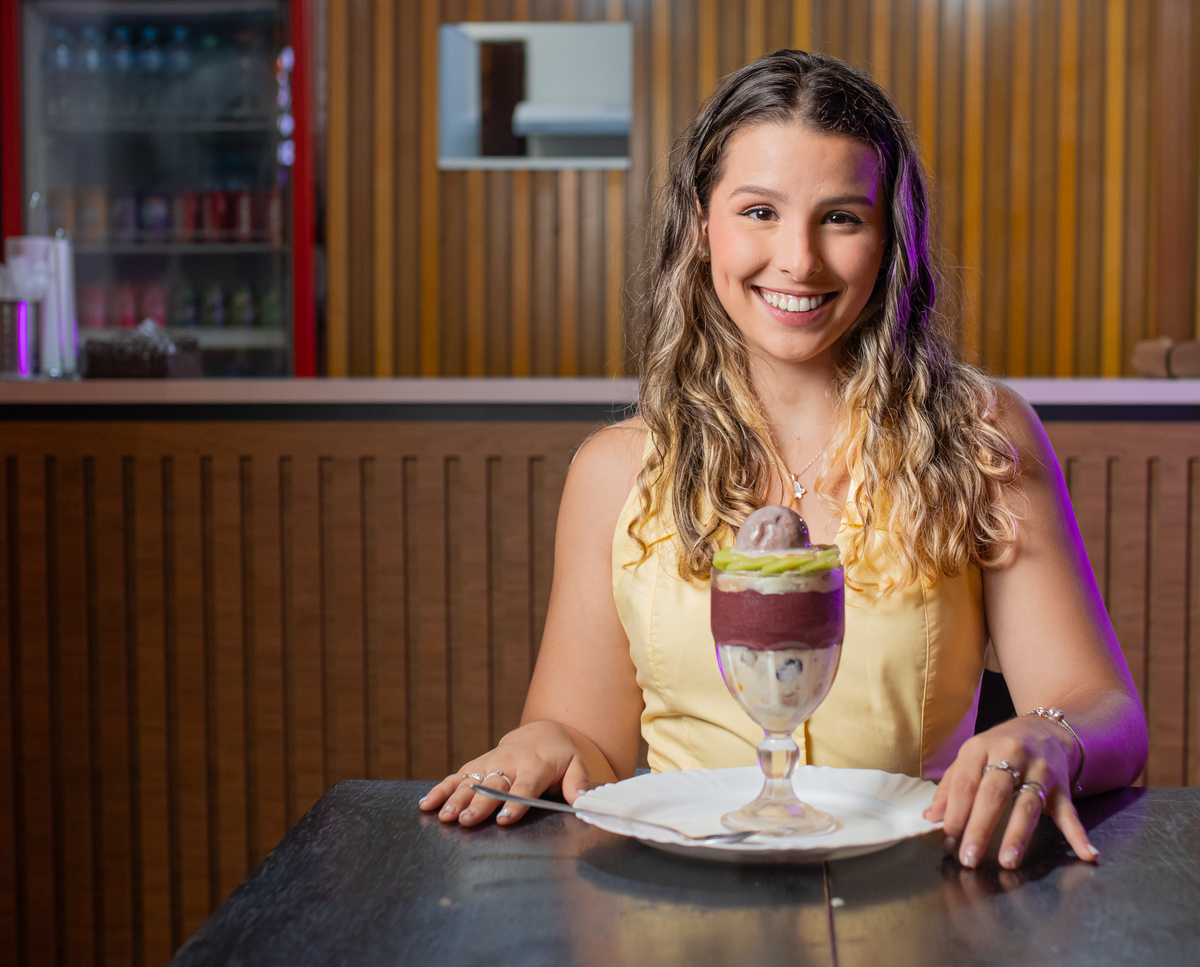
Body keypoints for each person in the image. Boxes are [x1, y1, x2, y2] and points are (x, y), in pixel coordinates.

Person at [419, 50, 1147, 871]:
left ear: (889, 238)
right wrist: (546, 739)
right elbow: (586, 742)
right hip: (686, 900)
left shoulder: (978, 437)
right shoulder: (614, 473)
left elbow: (1107, 711)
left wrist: (1051, 734)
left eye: (841, 218)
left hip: (916, 895)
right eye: (760, 211)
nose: (799, 259)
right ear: (702, 224)